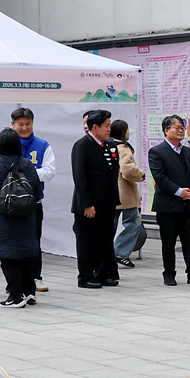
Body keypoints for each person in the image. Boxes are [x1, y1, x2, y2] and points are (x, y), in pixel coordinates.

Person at [0, 128, 43, 307]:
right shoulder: (26, 164)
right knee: (25, 254)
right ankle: (29, 292)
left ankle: (15, 296)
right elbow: (37, 190)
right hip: (26, 217)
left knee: (8, 256)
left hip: (0, 217)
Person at [148, 115, 190, 287]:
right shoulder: (157, 151)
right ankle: (169, 274)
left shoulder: (187, 151)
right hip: (167, 205)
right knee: (169, 242)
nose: (181, 130)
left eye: (182, 127)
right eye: (176, 127)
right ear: (166, 130)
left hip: (187, 204)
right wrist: (179, 192)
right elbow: (160, 177)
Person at [69, 108, 120, 290]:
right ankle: (85, 276)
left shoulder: (110, 145)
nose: (109, 129)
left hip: (107, 203)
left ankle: (103, 273)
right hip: (89, 205)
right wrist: (87, 203)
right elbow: (80, 178)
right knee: (87, 242)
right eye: (106, 126)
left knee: (105, 240)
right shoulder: (82, 146)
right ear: (95, 127)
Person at [11, 107, 55, 292]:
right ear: (13, 125)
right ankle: (13, 280)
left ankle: (35, 277)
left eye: (28, 124)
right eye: (20, 124)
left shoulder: (43, 145)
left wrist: (26, 174)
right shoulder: (5, 143)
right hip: (10, 203)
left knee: (34, 240)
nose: (24, 128)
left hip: (33, 203)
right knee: (12, 241)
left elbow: (49, 171)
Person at [111, 118, 145, 269]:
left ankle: (106, 255)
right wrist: (141, 174)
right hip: (125, 193)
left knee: (109, 226)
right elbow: (127, 168)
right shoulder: (123, 148)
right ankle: (120, 252)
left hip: (111, 192)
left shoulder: (108, 145)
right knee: (133, 223)